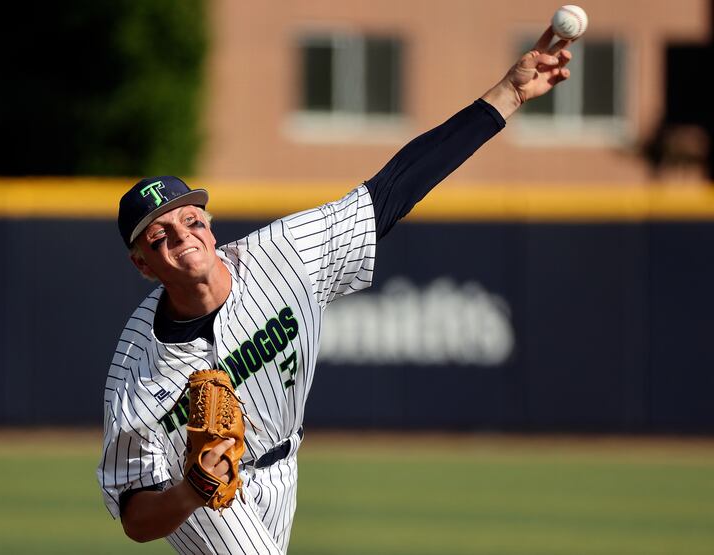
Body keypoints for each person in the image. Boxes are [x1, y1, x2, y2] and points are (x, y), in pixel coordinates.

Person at [97, 26, 573, 554]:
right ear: (142, 264)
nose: (182, 236)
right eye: (160, 235)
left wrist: (508, 94)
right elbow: (136, 518)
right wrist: (192, 490)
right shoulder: (136, 369)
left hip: (285, 467)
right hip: (201, 501)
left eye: (191, 220)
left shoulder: (286, 255)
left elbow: (397, 185)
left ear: (210, 227)